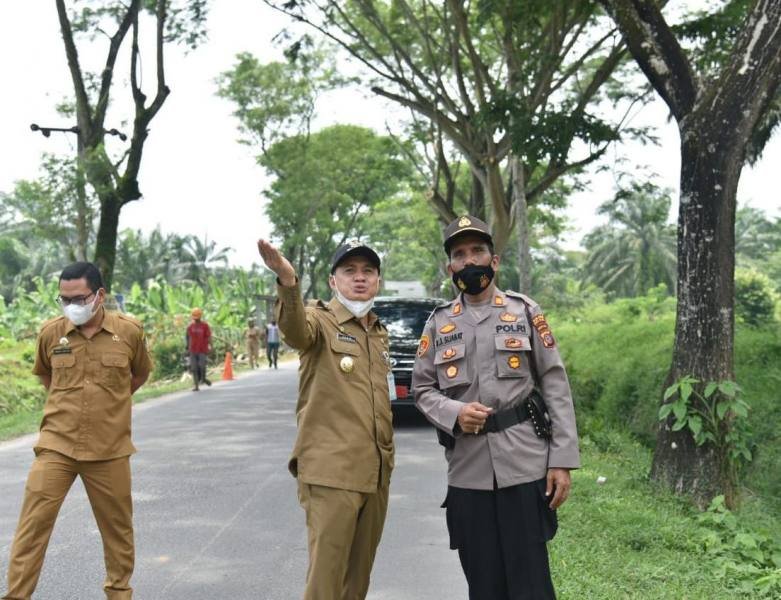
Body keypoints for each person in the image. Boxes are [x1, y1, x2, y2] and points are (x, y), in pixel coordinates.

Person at [411, 215, 580, 600]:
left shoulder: (525, 312)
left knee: (532, 585)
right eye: (459, 254)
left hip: (524, 465)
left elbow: (554, 382)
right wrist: (454, 413)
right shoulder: (438, 324)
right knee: (484, 585)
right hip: (468, 472)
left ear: (495, 260)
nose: (470, 261)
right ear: (450, 268)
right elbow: (422, 389)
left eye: (477, 251)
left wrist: (561, 460)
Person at [2, 261, 153, 600]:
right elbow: (46, 376)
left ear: (99, 295)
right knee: (32, 527)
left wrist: (112, 401)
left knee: (118, 532)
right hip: (57, 445)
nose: (72, 305)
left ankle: (119, 594)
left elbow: (140, 373)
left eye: (79, 298)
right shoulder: (51, 333)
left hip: (110, 449)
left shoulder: (129, 332)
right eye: (65, 299)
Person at [257, 238, 394, 600]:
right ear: (333, 281)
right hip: (333, 473)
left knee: (356, 582)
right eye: (349, 271)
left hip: (376, 473)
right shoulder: (320, 321)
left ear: (378, 280)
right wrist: (288, 281)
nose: (360, 278)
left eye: (368, 271)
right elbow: (295, 330)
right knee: (326, 583)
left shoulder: (379, 333)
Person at [186, 307, 211, 391]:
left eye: (197, 317)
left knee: (202, 366)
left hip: (202, 349)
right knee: (194, 368)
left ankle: (203, 378)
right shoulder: (190, 326)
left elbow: (208, 337)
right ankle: (196, 386)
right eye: (194, 317)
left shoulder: (205, 325)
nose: (196, 319)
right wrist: (187, 348)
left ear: (200, 316)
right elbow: (188, 338)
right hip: (192, 349)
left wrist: (211, 346)